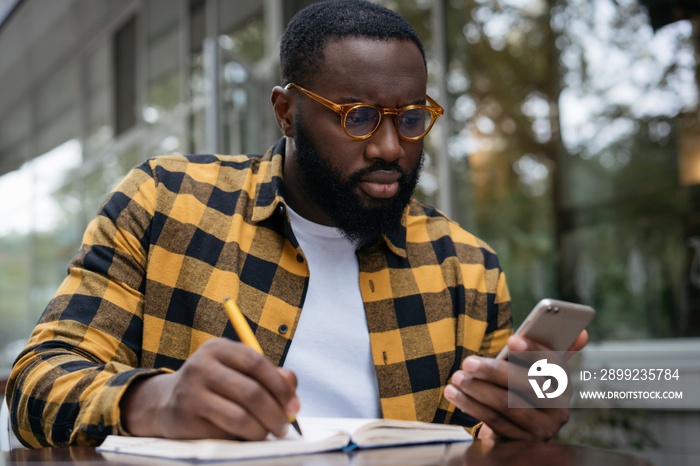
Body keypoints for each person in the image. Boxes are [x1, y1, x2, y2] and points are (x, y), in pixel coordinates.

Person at [7, 0, 586, 447]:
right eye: (358, 117)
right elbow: (36, 383)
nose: (391, 147)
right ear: (287, 112)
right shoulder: (167, 205)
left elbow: (477, 444)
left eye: (410, 118)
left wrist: (520, 422)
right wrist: (154, 401)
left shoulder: (469, 270)